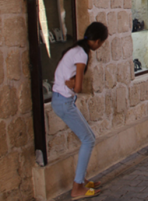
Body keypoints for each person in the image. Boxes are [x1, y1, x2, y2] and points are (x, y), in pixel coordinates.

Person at [51, 22, 109, 200]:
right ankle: (77, 188)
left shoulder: (76, 49)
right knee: (88, 140)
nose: (100, 46)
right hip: (64, 102)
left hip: (61, 100)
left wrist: (72, 83)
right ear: (97, 41)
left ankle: (81, 180)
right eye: (101, 43)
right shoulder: (82, 55)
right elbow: (77, 87)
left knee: (88, 136)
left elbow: (73, 82)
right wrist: (73, 83)